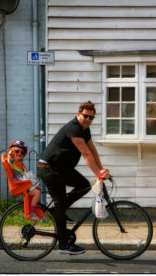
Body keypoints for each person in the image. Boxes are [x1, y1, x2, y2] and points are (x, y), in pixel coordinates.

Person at [37, 101, 110, 255]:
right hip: (49, 168)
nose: (88, 119)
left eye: (91, 117)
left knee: (84, 185)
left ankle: (59, 210)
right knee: (60, 202)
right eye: (85, 116)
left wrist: (101, 169)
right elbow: (86, 154)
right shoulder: (74, 128)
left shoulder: (85, 129)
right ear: (78, 114)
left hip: (61, 169)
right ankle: (63, 244)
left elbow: (92, 149)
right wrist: (98, 175)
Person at [7, 140, 42, 220]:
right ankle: (31, 212)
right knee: (37, 193)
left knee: (38, 189)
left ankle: (30, 207)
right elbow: (10, 159)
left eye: (22, 153)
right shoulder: (13, 162)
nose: (19, 153)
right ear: (11, 151)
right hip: (21, 186)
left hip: (24, 184)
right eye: (17, 151)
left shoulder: (19, 164)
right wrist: (11, 154)